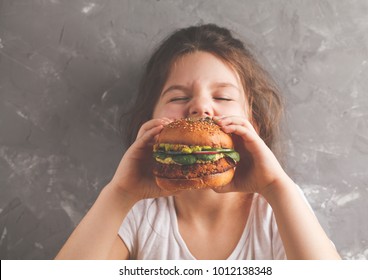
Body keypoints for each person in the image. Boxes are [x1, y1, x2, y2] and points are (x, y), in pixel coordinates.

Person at [55, 24, 341, 260]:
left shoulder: (278, 207)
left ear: (252, 122)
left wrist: (276, 187)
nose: (201, 108)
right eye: (178, 97)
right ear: (150, 120)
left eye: (223, 97)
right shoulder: (135, 213)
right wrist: (120, 193)